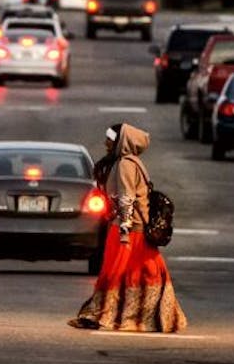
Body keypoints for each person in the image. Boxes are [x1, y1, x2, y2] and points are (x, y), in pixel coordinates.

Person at [71, 123, 187, 332]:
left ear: (121, 142)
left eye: (110, 138)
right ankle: (135, 315)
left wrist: (124, 230)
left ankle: (111, 313)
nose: (106, 142)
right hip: (130, 228)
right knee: (139, 271)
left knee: (124, 271)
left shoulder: (126, 164)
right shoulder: (130, 163)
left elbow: (127, 198)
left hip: (130, 230)